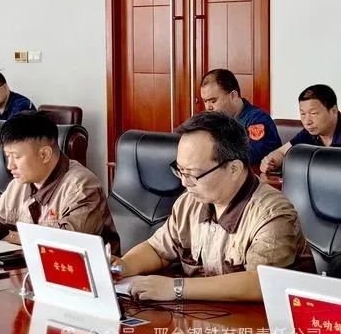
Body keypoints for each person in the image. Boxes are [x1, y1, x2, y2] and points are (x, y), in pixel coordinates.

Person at [112, 111, 314, 302]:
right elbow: (158, 249)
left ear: (234, 169)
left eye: (193, 174)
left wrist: (176, 288)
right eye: (180, 171)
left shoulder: (271, 213)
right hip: (203, 316)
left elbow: (259, 283)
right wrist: (124, 266)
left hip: (257, 322)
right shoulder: (190, 202)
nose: (184, 182)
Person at [0, 111, 120, 254]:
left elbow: (66, 242)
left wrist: (12, 236)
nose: (10, 166)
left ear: (44, 154)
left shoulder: (81, 186)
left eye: (17, 157)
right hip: (29, 271)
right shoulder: (20, 184)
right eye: (8, 156)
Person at [200, 69, 281, 164]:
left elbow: (251, 155)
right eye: (205, 101)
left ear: (233, 96)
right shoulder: (213, 120)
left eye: (213, 101)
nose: (208, 107)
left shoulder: (257, 119)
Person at [261, 84, 341, 173]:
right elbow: (282, 152)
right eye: (303, 114)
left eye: (313, 113)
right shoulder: (309, 132)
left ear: (333, 111)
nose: (307, 122)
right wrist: (271, 162)